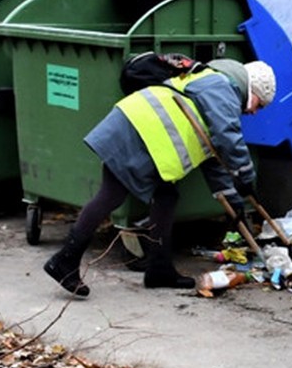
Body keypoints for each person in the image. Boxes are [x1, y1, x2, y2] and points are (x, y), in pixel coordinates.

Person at [44, 58, 276, 298]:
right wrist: (245, 174)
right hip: (138, 132)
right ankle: (64, 261)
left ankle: (160, 269)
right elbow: (228, 135)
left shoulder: (212, 83)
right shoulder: (222, 88)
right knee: (110, 195)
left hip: (142, 131)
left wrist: (235, 202)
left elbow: (213, 158)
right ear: (253, 90)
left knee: (165, 198)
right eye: (260, 103)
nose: (254, 111)